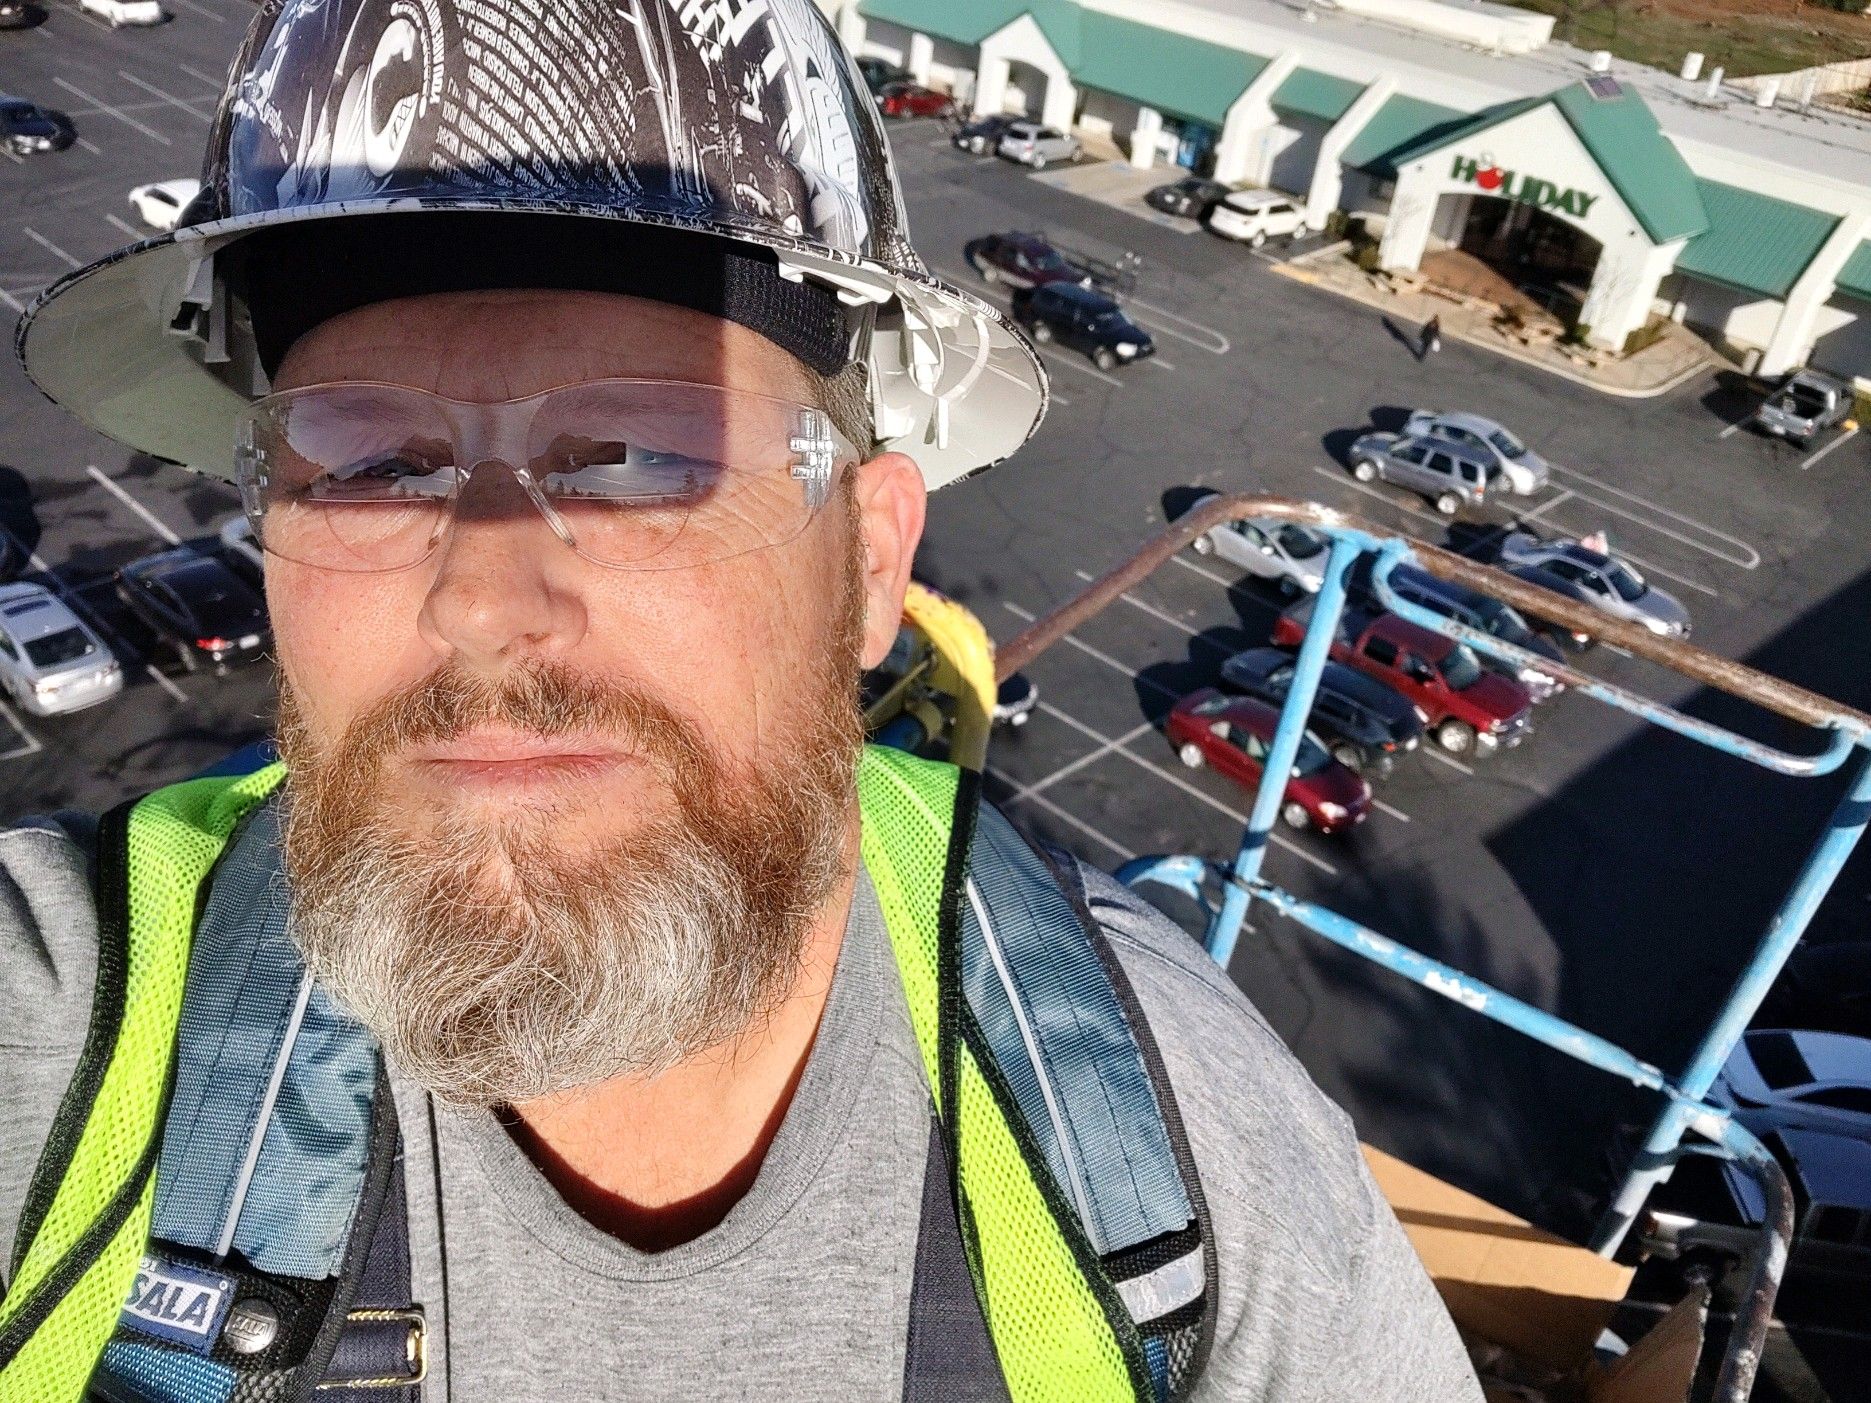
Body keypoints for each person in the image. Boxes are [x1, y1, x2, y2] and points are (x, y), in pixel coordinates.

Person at [0, 3, 1480, 1400]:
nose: (484, 599)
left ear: (869, 563)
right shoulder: (66, 1029)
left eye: (642, 455)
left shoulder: (1162, 1135)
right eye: (372, 460)